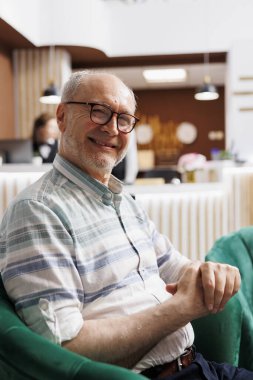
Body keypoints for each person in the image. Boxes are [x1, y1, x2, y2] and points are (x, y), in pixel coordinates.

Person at [0, 70, 252, 380]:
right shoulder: (37, 212)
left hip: (197, 365)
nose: (113, 129)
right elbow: (64, 351)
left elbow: (175, 267)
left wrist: (207, 274)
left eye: (124, 119)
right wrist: (180, 309)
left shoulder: (124, 201)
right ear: (62, 116)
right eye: (99, 111)